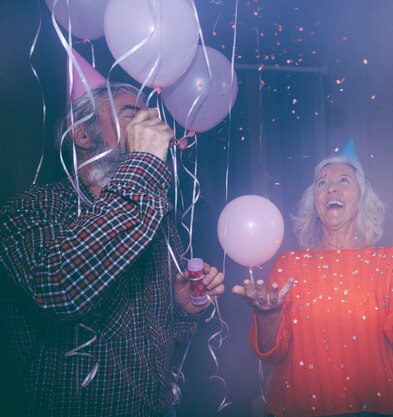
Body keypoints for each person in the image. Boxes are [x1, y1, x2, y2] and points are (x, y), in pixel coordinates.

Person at [0, 81, 225, 417]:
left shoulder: (156, 215)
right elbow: (60, 288)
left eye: (150, 113)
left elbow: (167, 335)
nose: (150, 122)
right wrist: (144, 163)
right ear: (83, 135)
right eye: (131, 114)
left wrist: (180, 307)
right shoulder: (31, 208)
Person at [232, 139, 393, 417]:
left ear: (361, 198)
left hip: (371, 409)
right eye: (322, 183)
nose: (332, 188)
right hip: (295, 408)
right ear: (314, 202)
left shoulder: (389, 261)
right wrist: (267, 315)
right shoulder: (289, 264)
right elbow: (272, 353)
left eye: (343, 180)